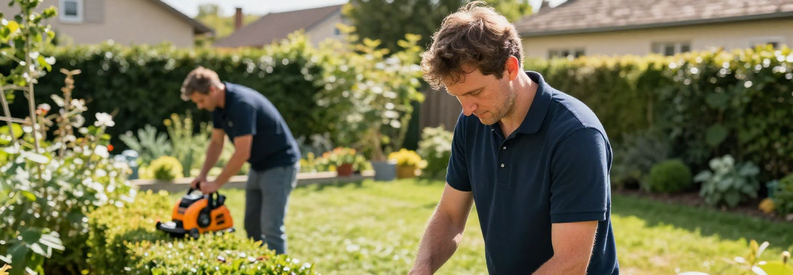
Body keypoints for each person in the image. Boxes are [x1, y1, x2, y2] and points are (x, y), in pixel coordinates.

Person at [409, 2, 619, 275]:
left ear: (510, 67)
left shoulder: (576, 135)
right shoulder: (472, 123)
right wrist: (422, 268)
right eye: (457, 96)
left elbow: (571, 262)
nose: (467, 108)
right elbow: (450, 216)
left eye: (475, 93)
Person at [180, 66, 301, 255]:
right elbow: (217, 142)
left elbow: (242, 152)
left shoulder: (241, 104)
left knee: (271, 228)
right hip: (258, 166)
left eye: (201, 100)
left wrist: (217, 183)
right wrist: (203, 175)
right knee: (251, 226)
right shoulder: (218, 107)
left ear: (212, 90)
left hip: (280, 164)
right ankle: (261, 266)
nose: (200, 106)